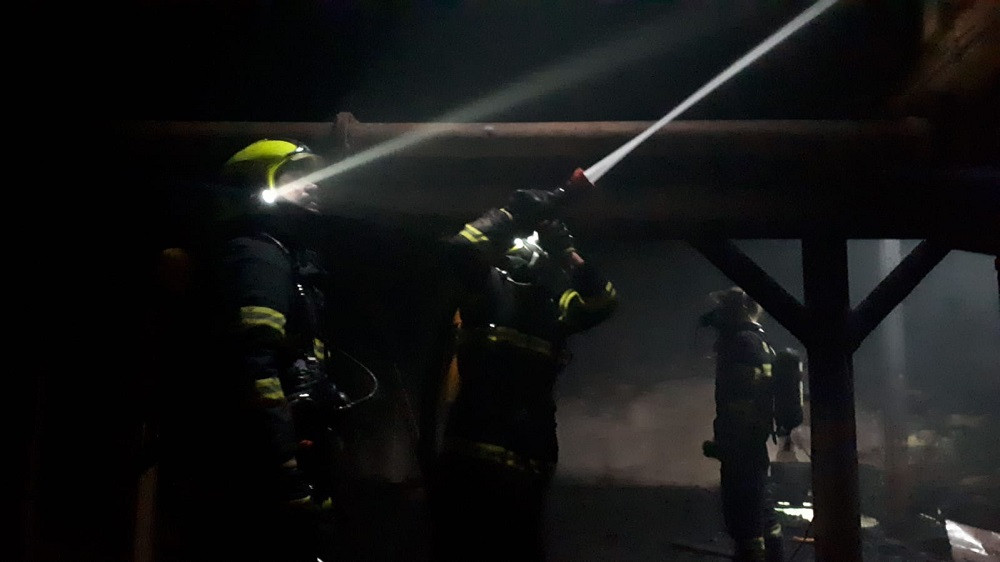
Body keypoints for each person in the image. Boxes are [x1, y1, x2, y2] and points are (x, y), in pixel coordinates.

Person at [149, 139, 347, 562]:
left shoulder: (279, 254)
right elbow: (254, 367)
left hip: (271, 460)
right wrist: (284, 469)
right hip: (253, 471)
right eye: (297, 175)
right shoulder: (257, 255)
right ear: (260, 185)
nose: (315, 185)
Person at [421, 175, 619, 562]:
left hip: (530, 456)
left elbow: (604, 302)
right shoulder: (486, 289)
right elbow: (459, 250)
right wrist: (511, 213)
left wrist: (569, 253)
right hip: (475, 454)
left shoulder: (557, 305)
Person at [699, 286, 785, 562]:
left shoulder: (740, 344)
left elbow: (739, 400)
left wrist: (726, 444)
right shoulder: (761, 342)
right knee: (763, 513)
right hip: (755, 444)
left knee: (744, 521)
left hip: (741, 447)